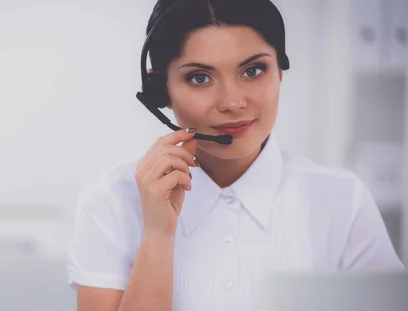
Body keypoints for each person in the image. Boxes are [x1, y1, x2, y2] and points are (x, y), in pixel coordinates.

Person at [67, 0, 405, 310]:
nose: (232, 102)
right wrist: (157, 234)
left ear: (280, 73)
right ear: (161, 91)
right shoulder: (111, 201)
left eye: (253, 71)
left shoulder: (343, 200)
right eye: (200, 77)